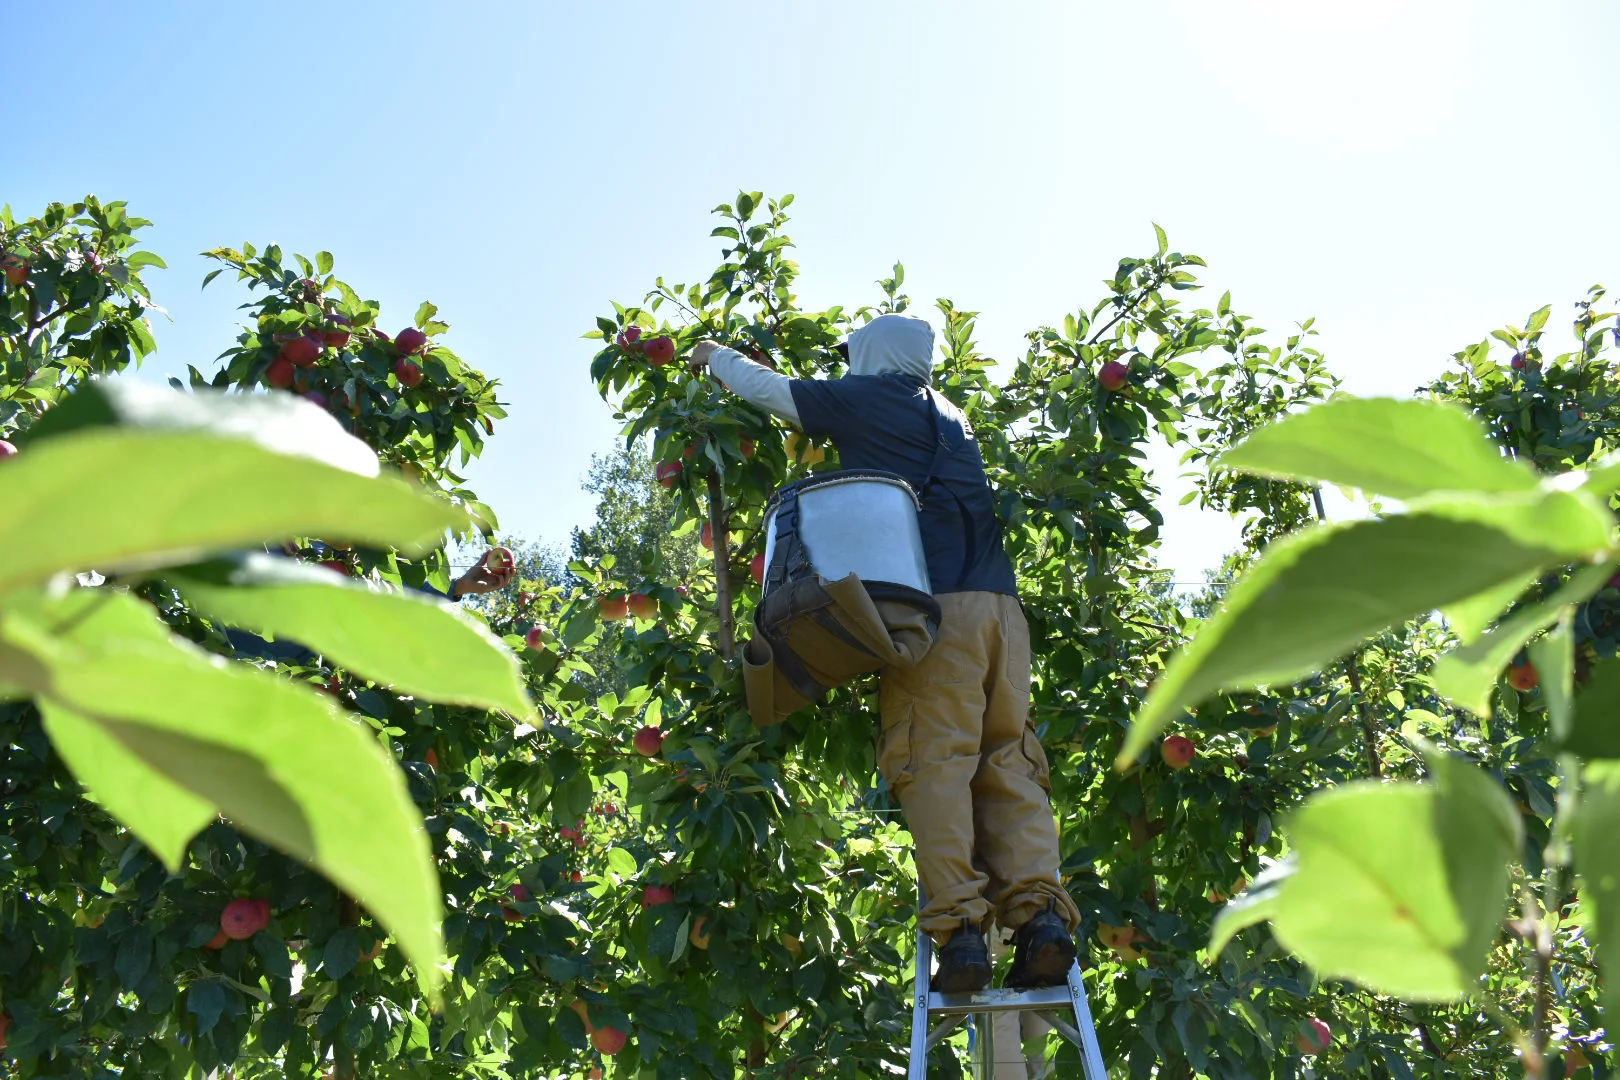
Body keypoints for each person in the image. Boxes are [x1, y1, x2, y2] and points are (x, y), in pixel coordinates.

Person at [690, 313, 1081, 992]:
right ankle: (1042, 917)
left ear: (872, 355)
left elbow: (775, 392)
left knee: (934, 757)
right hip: (1003, 616)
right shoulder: (953, 416)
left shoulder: (867, 398)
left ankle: (960, 931)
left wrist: (713, 355)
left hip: (942, 617)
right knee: (1009, 762)